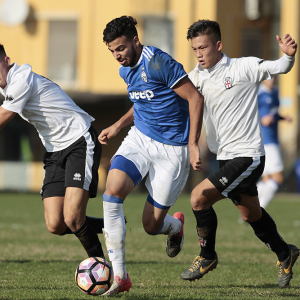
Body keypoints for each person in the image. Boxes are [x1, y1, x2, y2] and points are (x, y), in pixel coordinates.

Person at [181, 19, 299, 289]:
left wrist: (288, 56)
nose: (199, 54)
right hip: (225, 157)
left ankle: (207, 256)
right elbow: (183, 99)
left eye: (203, 47)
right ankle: (286, 253)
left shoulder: (243, 66)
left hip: (248, 157)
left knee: (198, 199)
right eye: (195, 49)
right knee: (251, 215)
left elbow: (278, 67)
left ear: (218, 45)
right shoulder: (197, 76)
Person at [98, 16, 204, 295]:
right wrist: (118, 125)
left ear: (135, 40)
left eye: (120, 48)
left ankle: (175, 227)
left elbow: (195, 99)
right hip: (140, 139)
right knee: (111, 193)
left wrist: (193, 144)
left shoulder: (159, 62)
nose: (117, 56)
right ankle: (120, 277)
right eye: (112, 51)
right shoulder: (125, 71)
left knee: (150, 225)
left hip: (173, 149)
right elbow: (142, 101)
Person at [0, 44, 105, 260]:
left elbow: (2, 117)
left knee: (73, 217)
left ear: (6, 61)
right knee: (56, 223)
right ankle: (112, 225)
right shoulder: (6, 88)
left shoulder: (21, 78)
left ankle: (103, 270)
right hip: (54, 151)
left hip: (79, 141)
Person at [256, 76, 291, 208]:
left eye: (273, 77)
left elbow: (273, 113)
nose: (271, 80)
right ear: (263, 78)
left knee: (267, 179)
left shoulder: (276, 92)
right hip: (266, 140)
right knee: (278, 178)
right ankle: (260, 209)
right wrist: (261, 119)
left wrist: (282, 117)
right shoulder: (257, 93)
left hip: (273, 139)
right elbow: (247, 113)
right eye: (268, 77)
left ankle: (251, 208)